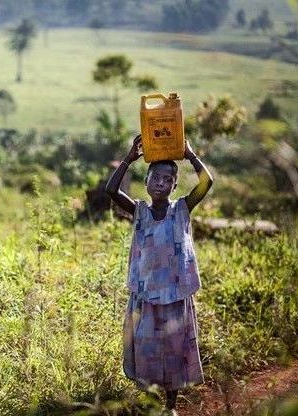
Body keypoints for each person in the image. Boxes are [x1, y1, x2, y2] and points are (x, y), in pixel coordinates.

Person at [104, 134, 213, 415]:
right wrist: (129, 159)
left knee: (174, 350)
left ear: (174, 185)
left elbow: (206, 183)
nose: (161, 184)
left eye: (167, 180)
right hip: (146, 294)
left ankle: (171, 407)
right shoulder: (139, 210)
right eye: (156, 178)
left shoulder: (182, 209)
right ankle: (151, 403)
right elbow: (111, 191)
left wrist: (189, 154)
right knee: (147, 348)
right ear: (147, 182)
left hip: (175, 295)